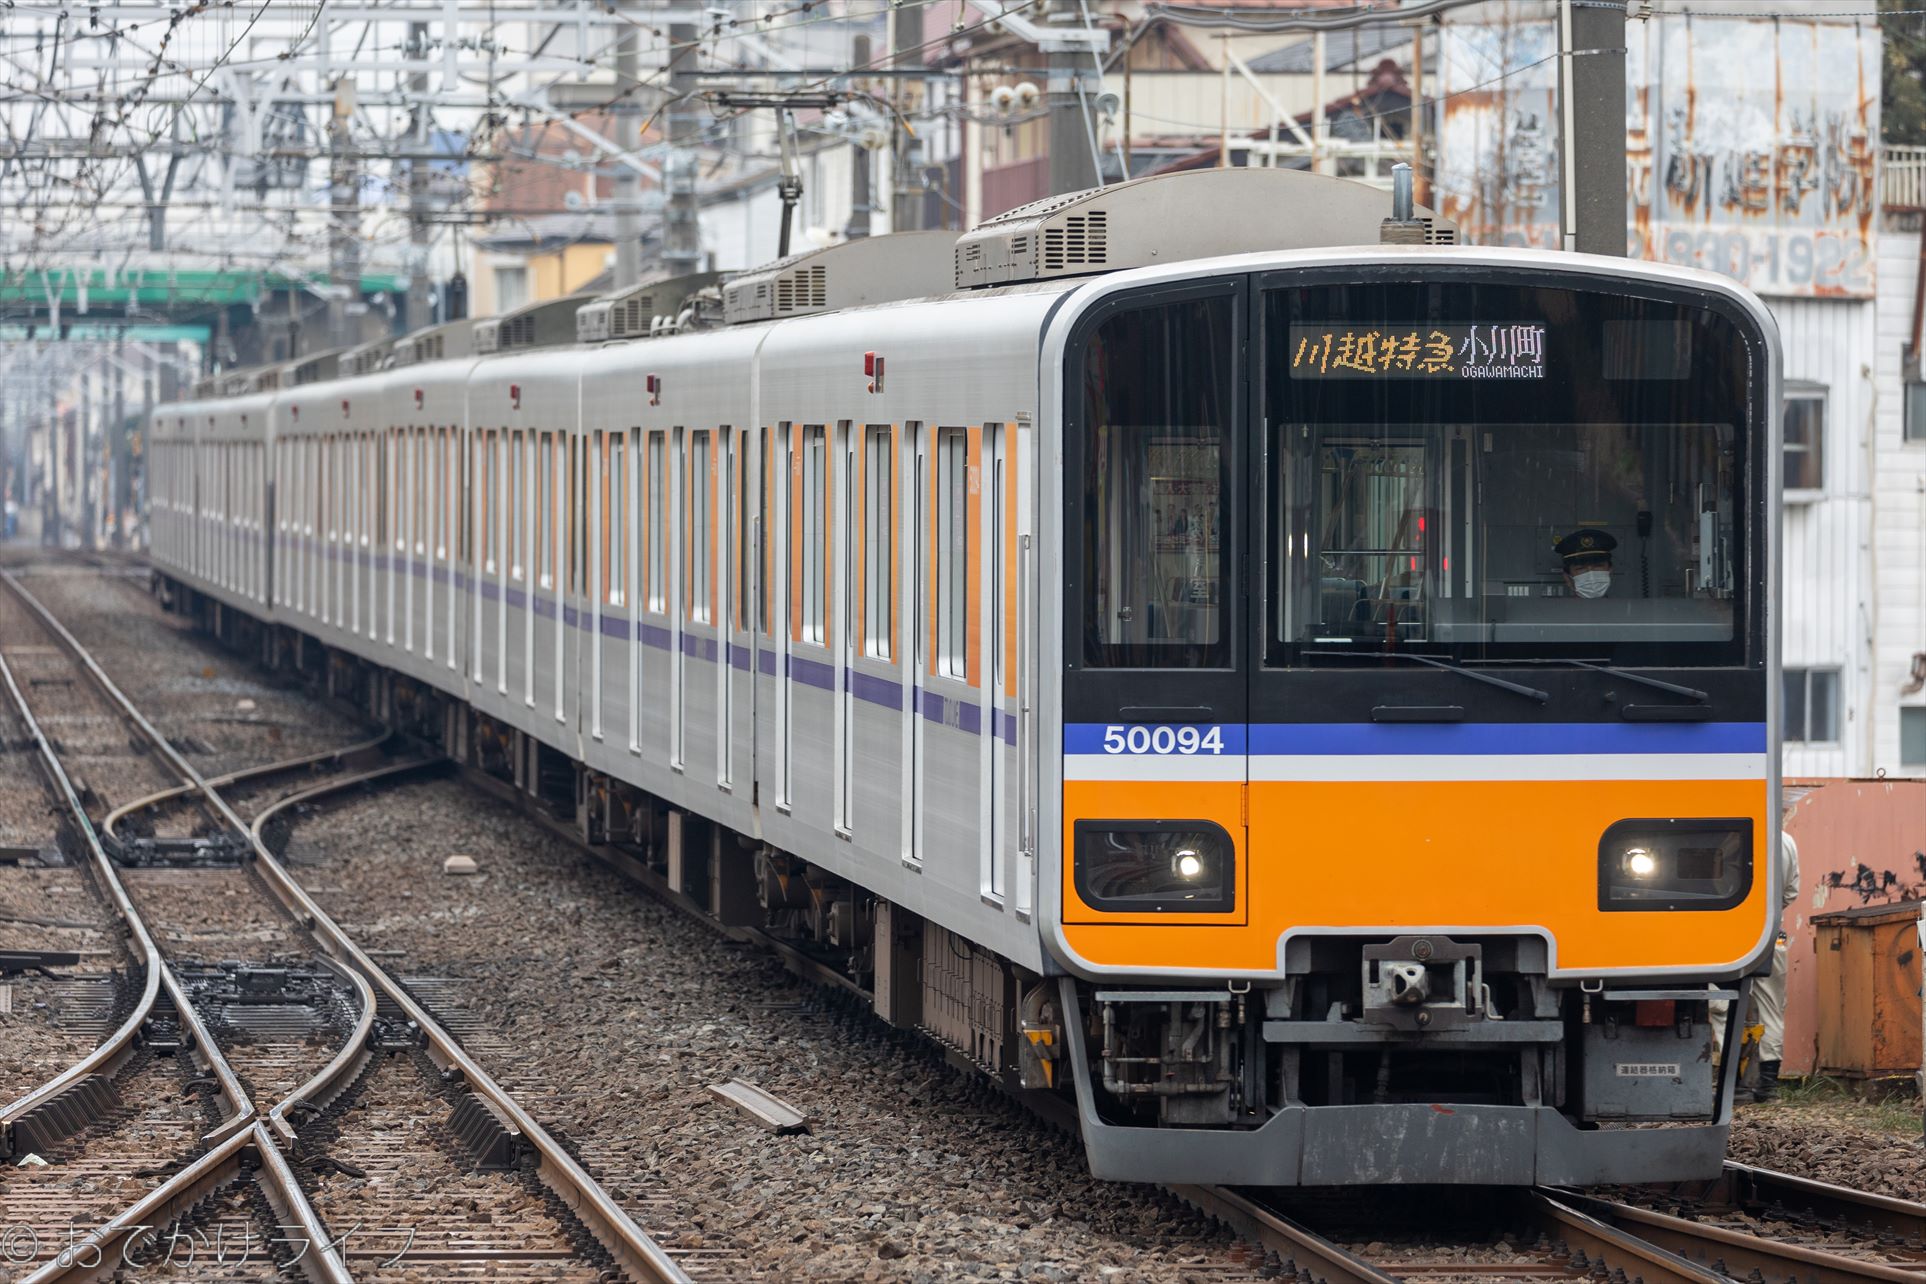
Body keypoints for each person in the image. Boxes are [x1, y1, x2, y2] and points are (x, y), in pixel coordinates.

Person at [1751, 830, 1801, 1101]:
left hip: (1727, 939)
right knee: (1771, 1009)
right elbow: (1791, 892)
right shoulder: (1786, 840)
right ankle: (1767, 1086)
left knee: (1723, 1008)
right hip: (1771, 935)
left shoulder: (1729, 829)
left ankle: (1734, 1084)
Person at [1553, 527, 1617, 598]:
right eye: (1580, 568)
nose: (1591, 574)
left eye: (1598, 565)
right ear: (1567, 577)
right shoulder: (1556, 609)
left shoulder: (1622, 608)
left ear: (1610, 570)